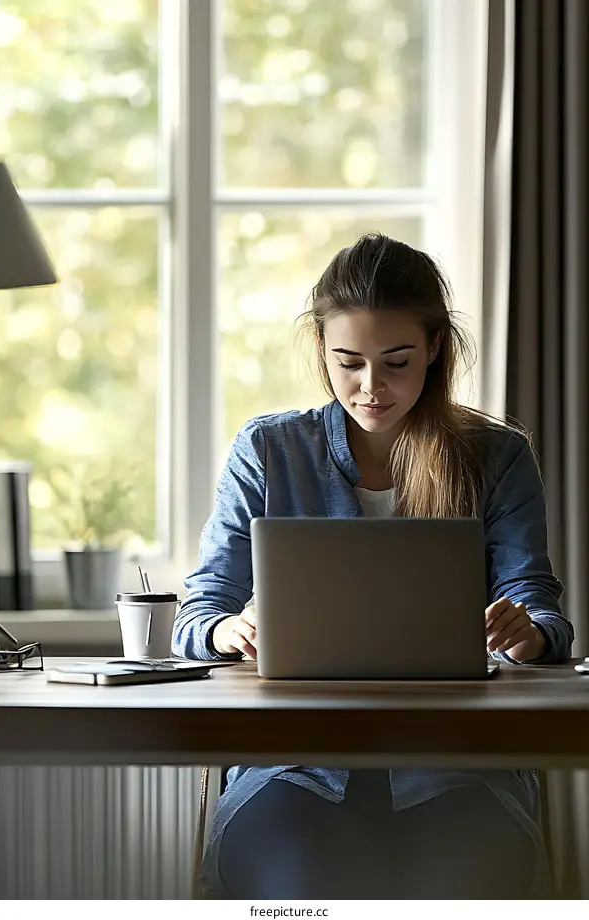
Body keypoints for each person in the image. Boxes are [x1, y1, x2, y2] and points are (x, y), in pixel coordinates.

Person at [172, 233, 574, 899]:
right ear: (322, 349)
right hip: (294, 768)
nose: (371, 387)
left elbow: (537, 602)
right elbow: (201, 609)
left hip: (458, 765)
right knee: (304, 887)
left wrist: (528, 631)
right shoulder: (269, 450)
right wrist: (227, 631)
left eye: (396, 362)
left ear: (435, 347)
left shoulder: (496, 457)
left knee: (457, 886)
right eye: (348, 362)